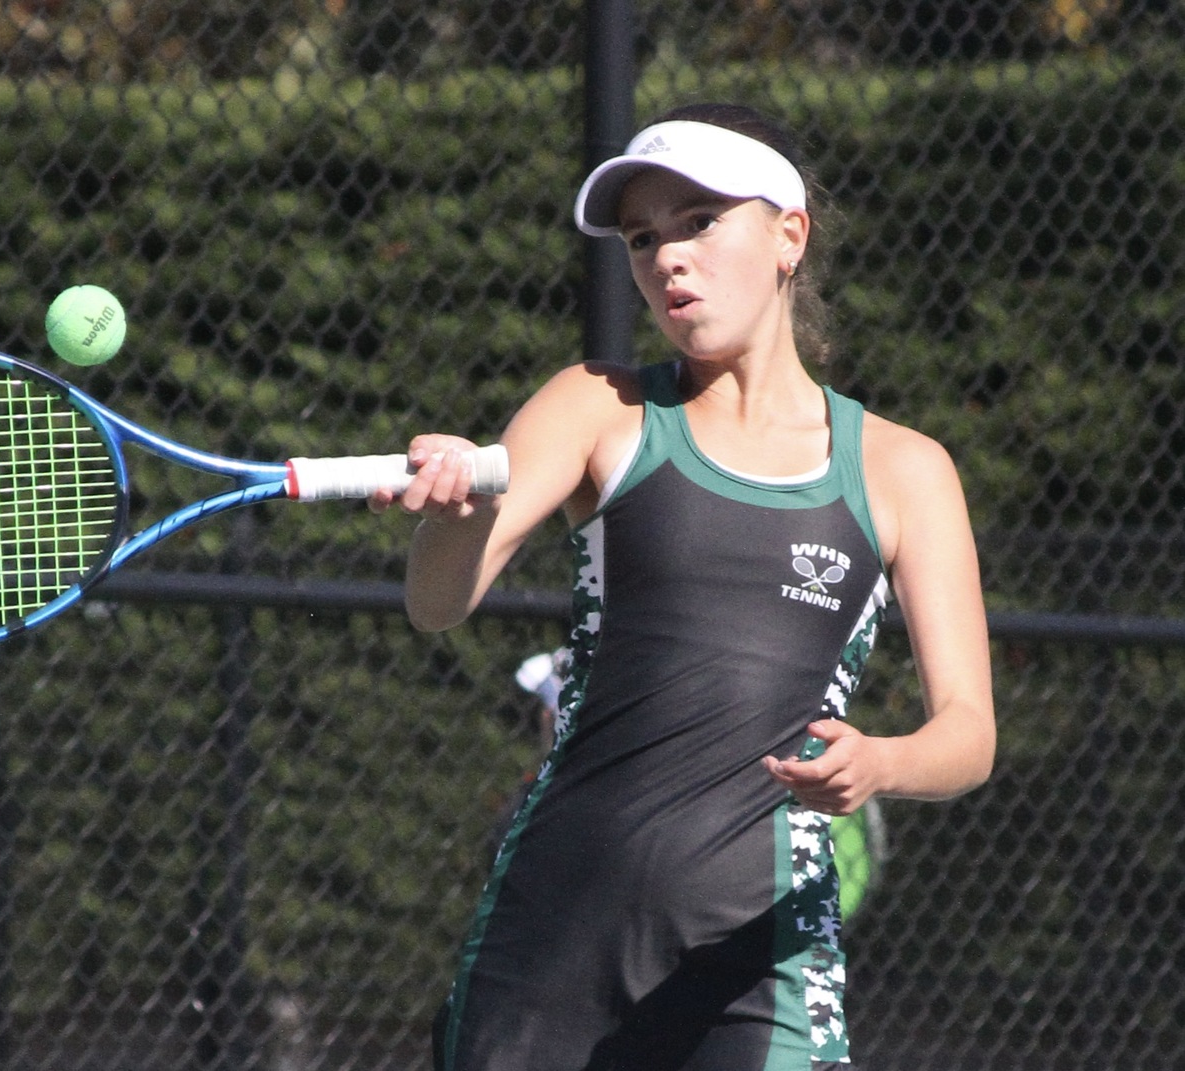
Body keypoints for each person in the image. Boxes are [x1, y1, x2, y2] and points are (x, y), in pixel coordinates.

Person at [370, 102, 995, 1071]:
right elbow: (437, 603)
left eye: (700, 221)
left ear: (790, 235)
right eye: (642, 238)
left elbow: (970, 734)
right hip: (553, 930)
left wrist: (882, 762)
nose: (668, 258)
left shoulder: (905, 470)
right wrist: (455, 514)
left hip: (760, 954)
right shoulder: (598, 406)